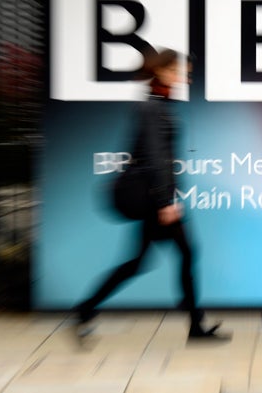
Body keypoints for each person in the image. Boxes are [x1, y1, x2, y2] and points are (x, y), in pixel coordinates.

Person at [74, 43, 224, 340]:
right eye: (183, 73)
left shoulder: (159, 104)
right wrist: (165, 201)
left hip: (153, 197)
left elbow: (160, 155)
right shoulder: (152, 107)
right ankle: (195, 324)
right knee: (185, 252)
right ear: (163, 71)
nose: (187, 79)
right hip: (155, 199)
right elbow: (155, 156)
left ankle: (87, 307)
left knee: (140, 261)